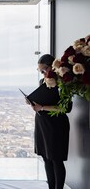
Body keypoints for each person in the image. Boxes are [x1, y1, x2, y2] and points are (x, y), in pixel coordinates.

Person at [28, 54, 71, 189]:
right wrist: (33, 103)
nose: (42, 74)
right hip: (42, 123)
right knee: (46, 157)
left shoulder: (63, 82)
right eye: (40, 71)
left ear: (52, 67)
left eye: (43, 70)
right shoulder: (42, 82)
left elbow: (66, 108)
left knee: (56, 159)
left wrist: (42, 107)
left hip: (57, 125)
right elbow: (41, 100)